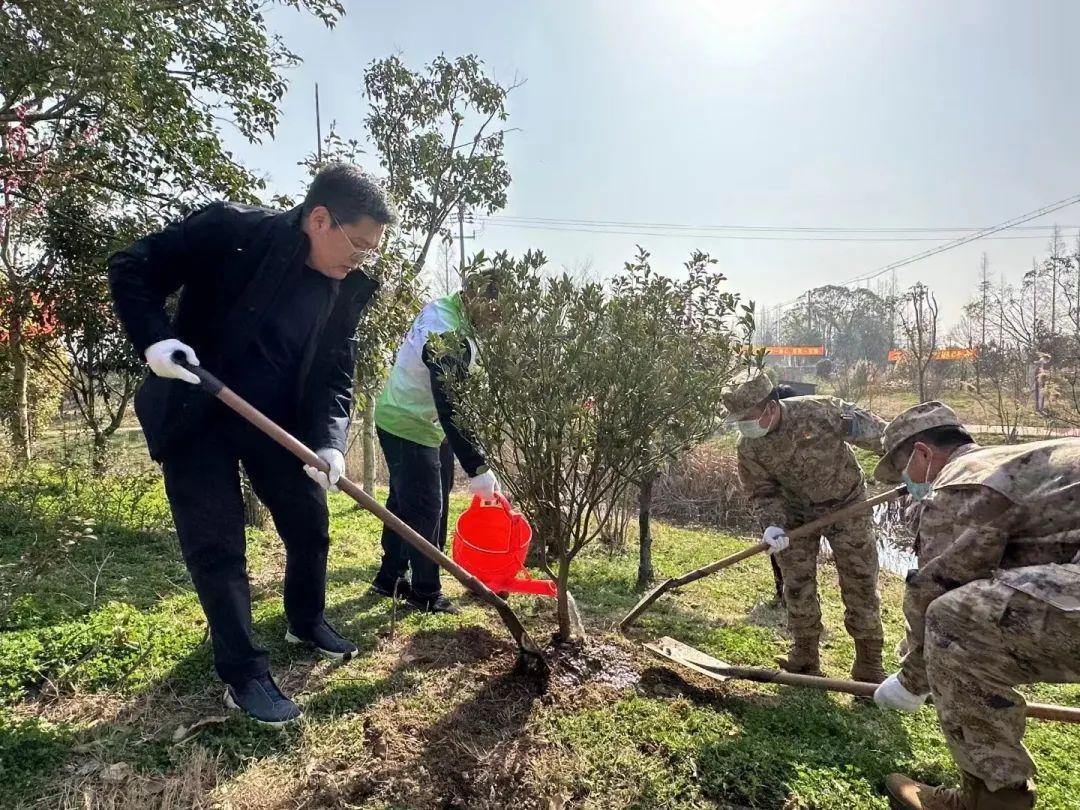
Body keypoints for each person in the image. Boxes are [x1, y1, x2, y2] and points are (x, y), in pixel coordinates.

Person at [109, 163, 398, 726]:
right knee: (218, 547)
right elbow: (132, 267)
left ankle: (306, 619)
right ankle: (244, 675)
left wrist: (329, 442)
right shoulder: (230, 232)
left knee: (310, 525)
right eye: (358, 246)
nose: (360, 260)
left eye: (370, 253)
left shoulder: (347, 289)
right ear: (319, 218)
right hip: (198, 410)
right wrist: (154, 342)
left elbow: (335, 371)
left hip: (277, 424)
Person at [872, 401, 1080, 810]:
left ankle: (991, 799)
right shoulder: (1009, 462)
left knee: (953, 620)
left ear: (922, 454)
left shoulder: (961, 483)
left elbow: (937, 585)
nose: (904, 482)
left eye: (902, 470)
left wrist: (911, 681)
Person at [723, 368, 888, 681]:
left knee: (860, 580)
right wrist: (772, 526)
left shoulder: (820, 411)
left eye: (747, 416)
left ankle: (869, 663)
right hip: (795, 514)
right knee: (796, 583)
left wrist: (905, 464)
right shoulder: (749, 446)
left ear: (770, 407)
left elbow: (878, 434)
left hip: (847, 504)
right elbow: (762, 491)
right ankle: (804, 655)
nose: (743, 425)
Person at [370, 270, 502, 614]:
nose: (500, 320)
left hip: (428, 422)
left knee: (405, 502)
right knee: (427, 508)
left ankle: (390, 578)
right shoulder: (445, 326)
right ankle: (425, 593)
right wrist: (477, 466)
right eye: (496, 310)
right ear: (475, 299)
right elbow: (449, 400)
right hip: (406, 420)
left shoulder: (464, 317)